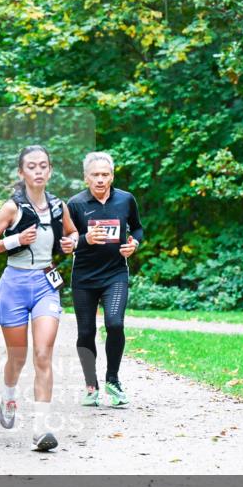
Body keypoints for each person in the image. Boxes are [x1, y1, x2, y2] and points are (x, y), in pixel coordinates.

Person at [0, 145, 75, 452]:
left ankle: (41, 428)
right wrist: (16, 240)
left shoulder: (60, 207)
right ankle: (8, 397)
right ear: (22, 173)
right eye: (31, 166)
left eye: (43, 166)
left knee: (43, 355)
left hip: (46, 284)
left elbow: (71, 234)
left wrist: (71, 243)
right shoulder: (12, 208)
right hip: (14, 285)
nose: (38, 171)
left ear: (50, 170)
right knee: (18, 357)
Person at [63, 151, 143, 408]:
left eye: (105, 174)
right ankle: (90, 385)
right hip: (84, 276)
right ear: (86, 178)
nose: (100, 179)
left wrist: (135, 243)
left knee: (115, 323)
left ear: (112, 176)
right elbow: (64, 242)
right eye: (95, 175)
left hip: (115, 274)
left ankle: (113, 379)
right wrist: (85, 239)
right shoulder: (75, 204)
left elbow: (137, 227)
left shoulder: (125, 200)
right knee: (86, 332)